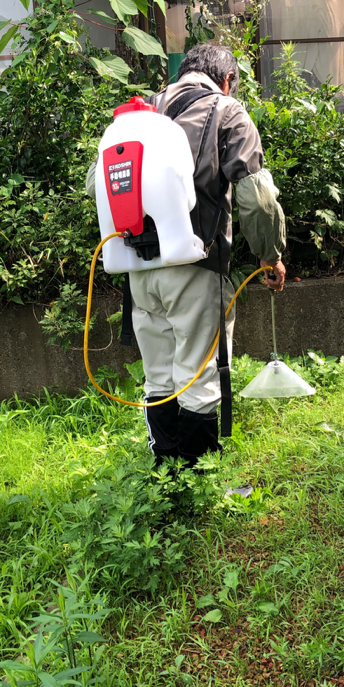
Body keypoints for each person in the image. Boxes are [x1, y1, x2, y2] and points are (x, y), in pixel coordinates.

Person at [88, 43, 286, 466]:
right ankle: (196, 476)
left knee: (159, 374)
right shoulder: (227, 111)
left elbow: (96, 184)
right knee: (198, 373)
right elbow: (256, 199)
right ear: (227, 79)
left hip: (137, 268)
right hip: (196, 265)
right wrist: (270, 255)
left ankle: (165, 470)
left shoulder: (138, 116)